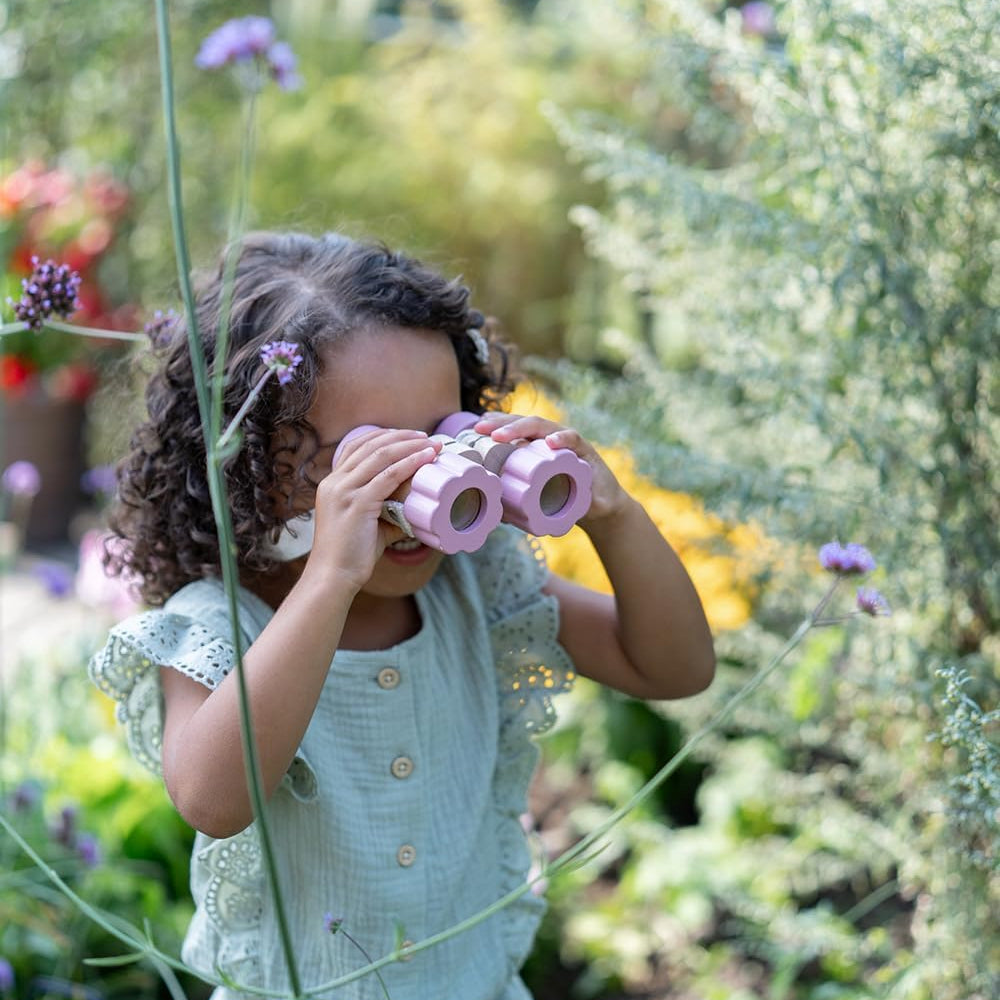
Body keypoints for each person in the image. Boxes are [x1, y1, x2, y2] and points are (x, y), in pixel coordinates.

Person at [89, 230, 715, 1000]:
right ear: (241, 462)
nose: (422, 497)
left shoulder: (473, 589)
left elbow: (675, 667)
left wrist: (613, 514)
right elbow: (215, 801)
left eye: (443, 442)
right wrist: (330, 580)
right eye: (371, 464)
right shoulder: (218, 627)